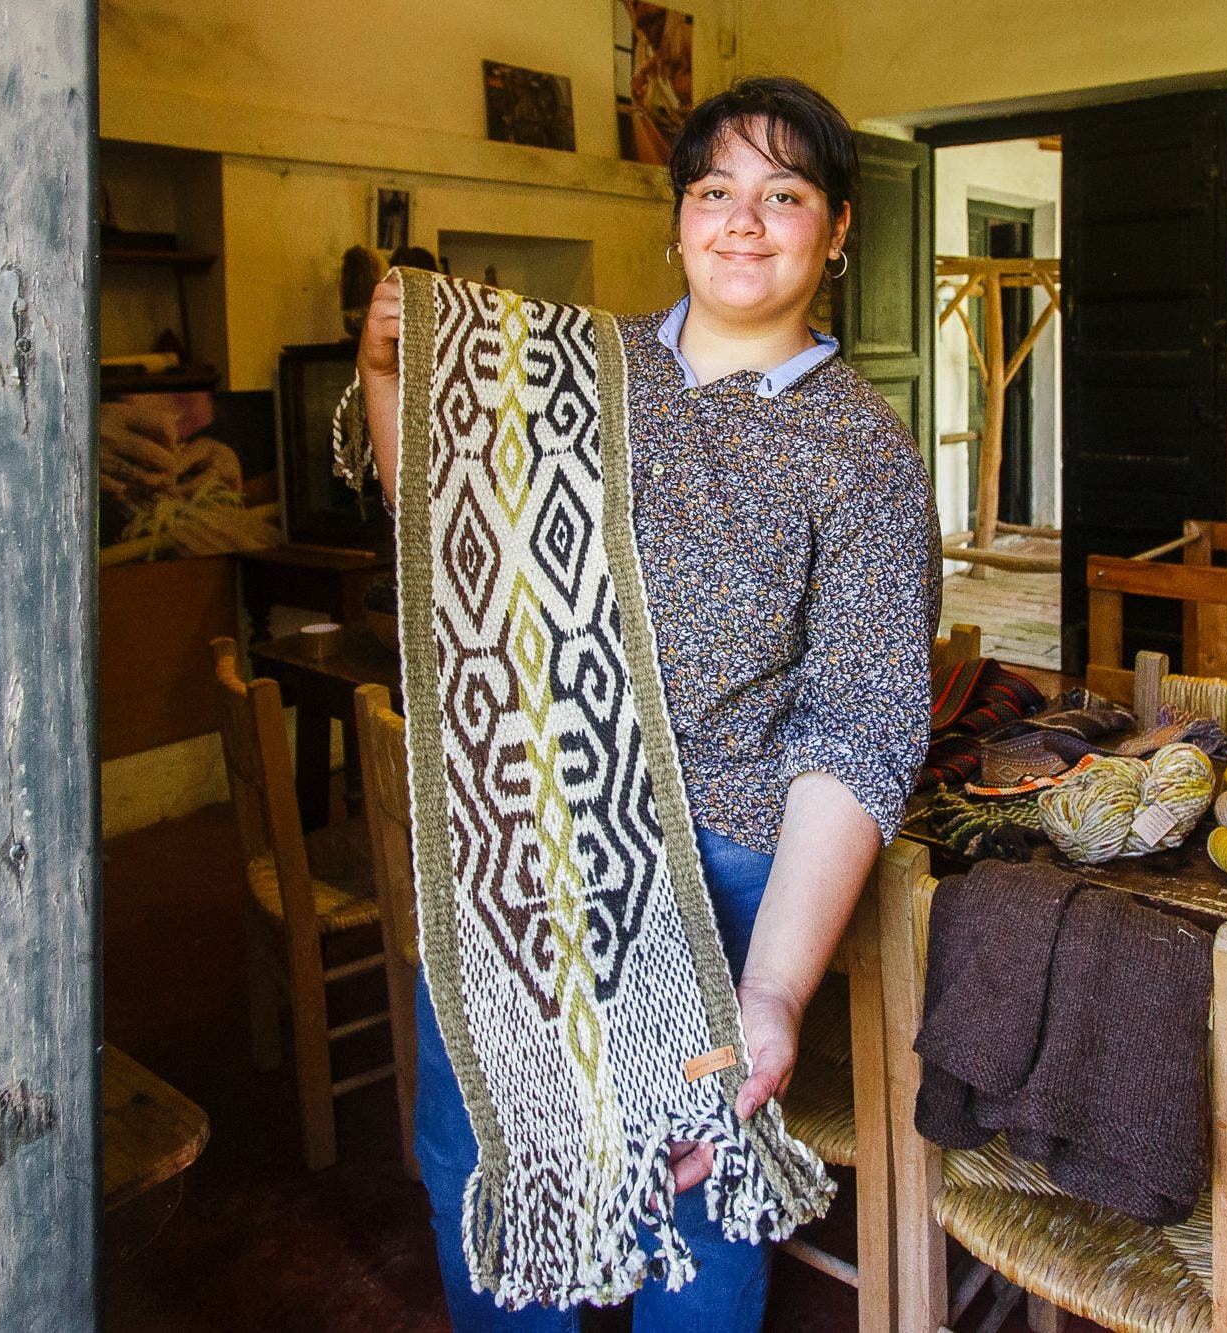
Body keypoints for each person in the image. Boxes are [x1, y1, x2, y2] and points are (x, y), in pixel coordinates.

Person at [353, 75, 940, 1331]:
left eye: (782, 193)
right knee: (490, 1162)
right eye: (713, 190)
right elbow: (451, 543)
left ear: (836, 229)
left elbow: (860, 727)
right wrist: (393, 373)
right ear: (677, 219)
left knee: (693, 1186)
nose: (742, 220)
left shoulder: (862, 452)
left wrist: (772, 987)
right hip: (518, 850)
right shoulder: (572, 367)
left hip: (711, 874)